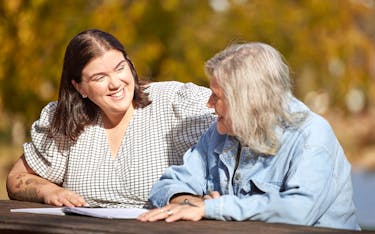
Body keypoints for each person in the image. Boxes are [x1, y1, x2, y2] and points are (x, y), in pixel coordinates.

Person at [138, 42, 361, 230]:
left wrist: (214, 208)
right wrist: (191, 202)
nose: (209, 104)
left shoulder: (310, 136)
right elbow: (169, 184)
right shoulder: (221, 131)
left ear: (246, 101)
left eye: (216, 96)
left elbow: (299, 211)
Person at [6, 29, 215, 208]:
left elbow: (236, 116)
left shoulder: (172, 102)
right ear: (79, 87)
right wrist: (49, 192)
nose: (115, 83)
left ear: (130, 65)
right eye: (99, 77)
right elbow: (17, 179)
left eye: (120, 68)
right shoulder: (67, 120)